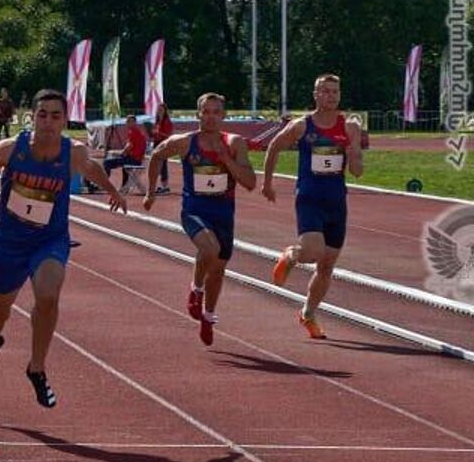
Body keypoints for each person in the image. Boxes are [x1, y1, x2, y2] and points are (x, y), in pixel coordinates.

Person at [0, 89, 124, 408]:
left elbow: (93, 169)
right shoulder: (11, 149)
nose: (48, 122)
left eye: (55, 116)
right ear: (32, 117)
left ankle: (37, 368)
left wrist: (113, 190)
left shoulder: (72, 152)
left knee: (48, 297)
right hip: (10, 243)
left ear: (65, 120)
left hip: (50, 240)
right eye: (42, 114)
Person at [143, 94, 257, 344]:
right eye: (206, 112)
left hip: (224, 213)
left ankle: (208, 315)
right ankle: (196, 290)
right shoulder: (184, 142)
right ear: (198, 115)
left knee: (218, 269)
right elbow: (157, 156)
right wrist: (151, 192)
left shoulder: (234, 143)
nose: (211, 117)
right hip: (194, 210)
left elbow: (250, 183)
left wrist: (226, 160)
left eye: (216, 112)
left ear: (223, 116)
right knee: (209, 248)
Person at [262, 73, 363, 339]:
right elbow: (273, 146)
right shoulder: (302, 126)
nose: (330, 96)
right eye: (325, 91)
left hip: (337, 201)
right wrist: (267, 183)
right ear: (315, 94)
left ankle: (307, 313)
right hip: (309, 196)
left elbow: (357, 172)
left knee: (327, 265)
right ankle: (293, 254)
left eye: (335, 92)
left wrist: (353, 154)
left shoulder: (350, 127)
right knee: (313, 252)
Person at [152, 103, 175, 192]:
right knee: (156, 165)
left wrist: (159, 133)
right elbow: (155, 132)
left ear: (165, 111)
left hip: (164, 144)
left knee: (163, 165)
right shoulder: (157, 121)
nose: (159, 111)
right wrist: (153, 133)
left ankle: (165, 186)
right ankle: (161, 185)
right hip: (157, 143)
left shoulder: (167, 122)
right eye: (158, 110)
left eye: (161, 110)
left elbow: (168, 135)